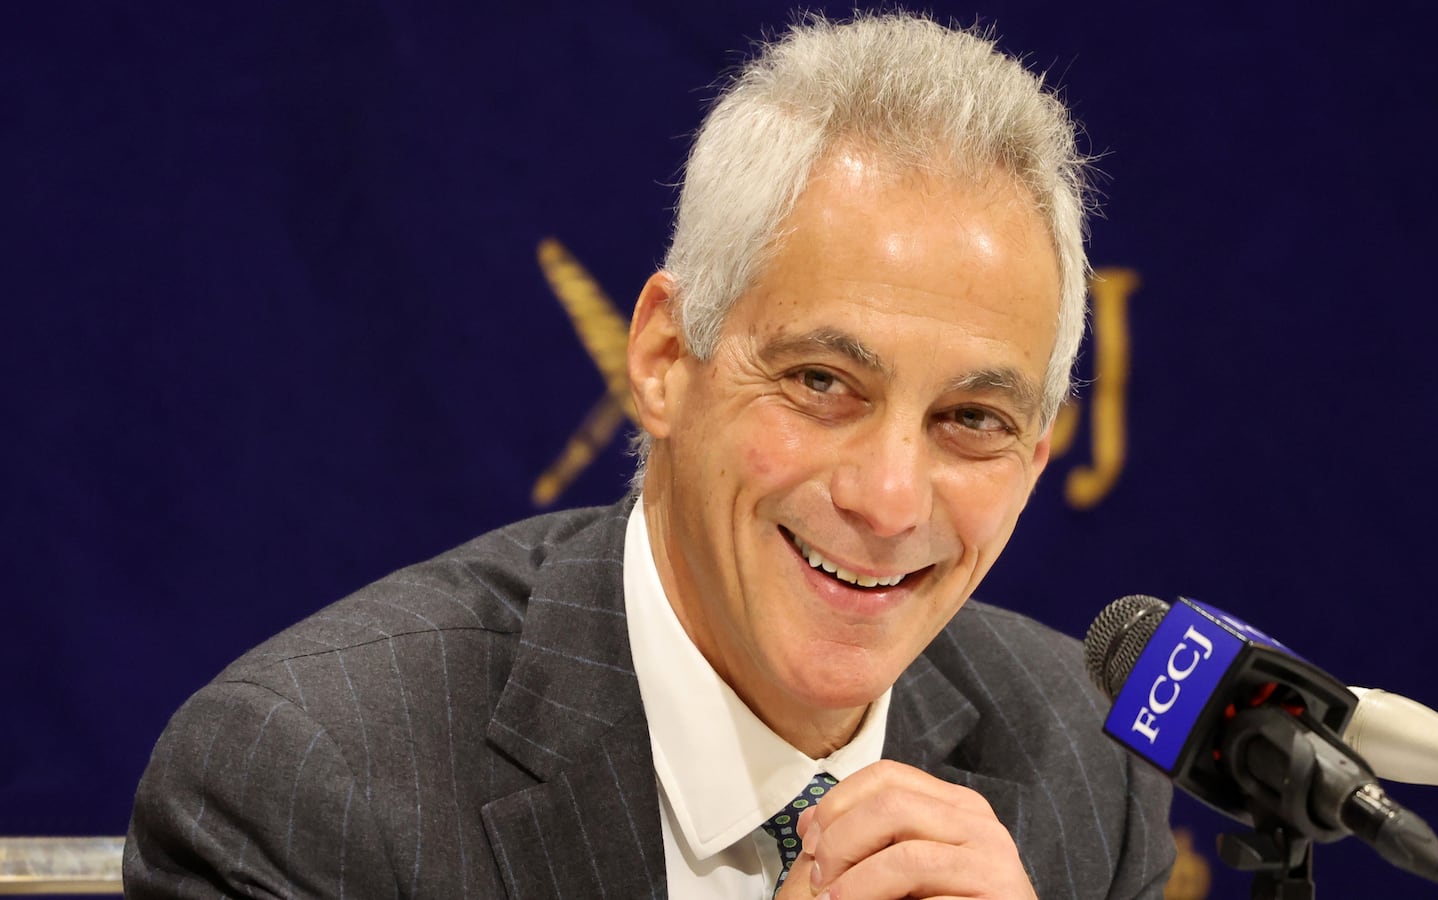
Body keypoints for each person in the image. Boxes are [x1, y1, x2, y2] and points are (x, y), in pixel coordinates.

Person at [125, 12, 1174, 899]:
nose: (890, 499)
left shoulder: (1087, 767)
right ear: (666, 359)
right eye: (820, 383)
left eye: (971, 420)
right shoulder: (312, 783)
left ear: (1036, 457)